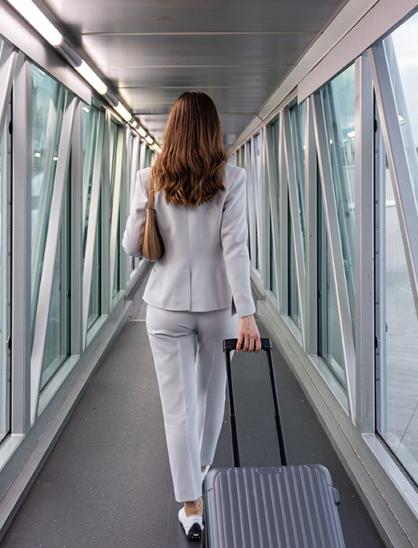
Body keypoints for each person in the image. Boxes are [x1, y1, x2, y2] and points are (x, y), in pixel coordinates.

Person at [122, 91, 261, 541]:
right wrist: (247, 313)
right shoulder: (232, 178)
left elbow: (131, 245)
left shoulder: (148, 177)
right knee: (210, 397)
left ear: (172, 128)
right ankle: (200, 470)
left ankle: (191, 505)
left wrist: (149, 209)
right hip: (217, 305)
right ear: (212, 128)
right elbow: (235, 250)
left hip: (163, 306)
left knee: (176, 407)